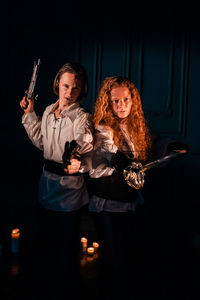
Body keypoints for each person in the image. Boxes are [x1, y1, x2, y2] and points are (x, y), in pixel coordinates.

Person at [88, 76, 187, 299]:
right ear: (107, 102)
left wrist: (171, 145)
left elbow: (155, 140)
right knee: (115, 264)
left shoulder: (136, 126)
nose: (122, 105)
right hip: (108, 205)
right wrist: (117, 160)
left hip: (129, 203)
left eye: (126, 99)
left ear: (133, 101)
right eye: (116, 101)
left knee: (130, 260)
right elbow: (99, 160)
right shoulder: (103, 128)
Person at [20, 62, 93, 299]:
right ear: (57, 84)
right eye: (65, 86)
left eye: (75, 88)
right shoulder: (50, 110)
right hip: (47, 185)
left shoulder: (81, 117)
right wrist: (30, 113)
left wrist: (79, 151)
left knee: (66, 250)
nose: (69, 92)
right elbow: (41, 141)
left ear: (81, 90)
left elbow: (86, 143)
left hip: (69, 192)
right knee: (47, 244)